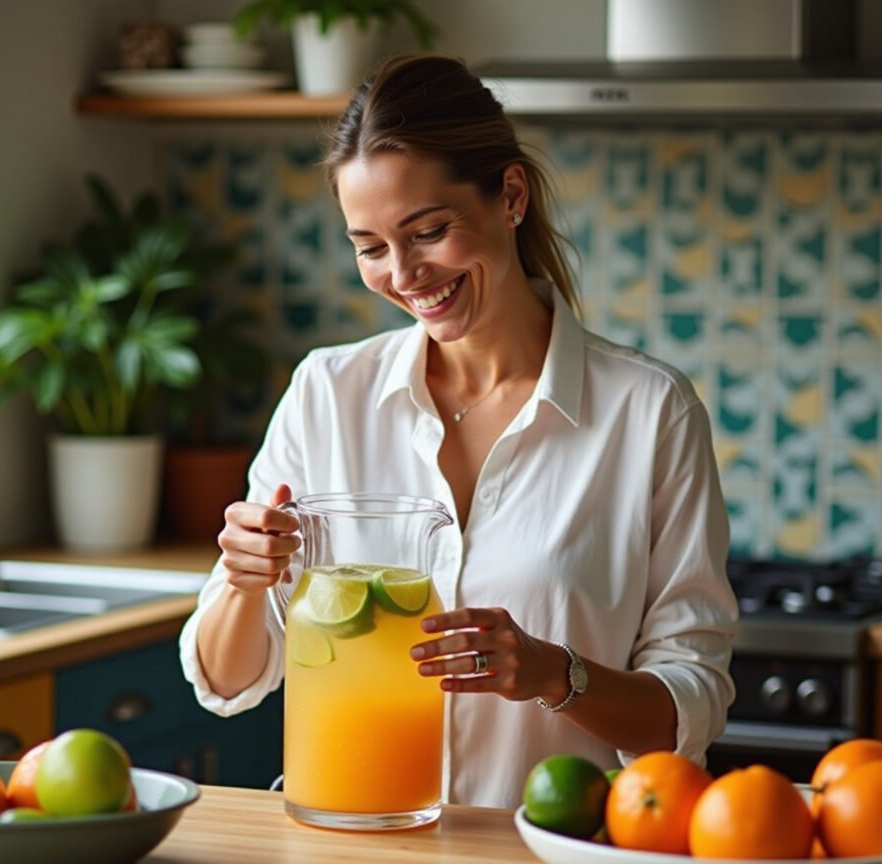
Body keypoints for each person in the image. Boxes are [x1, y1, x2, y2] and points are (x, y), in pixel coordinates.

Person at [179, 54, 737, 809]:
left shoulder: (649, 412)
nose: (404, 274)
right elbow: (228, 680)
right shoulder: (327, 394)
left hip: (550, 851)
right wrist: (246, 582)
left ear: (511, 194)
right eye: (370, 247)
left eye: (429, 231)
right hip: (349, 842)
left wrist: (553, 674)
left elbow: (687, 709)